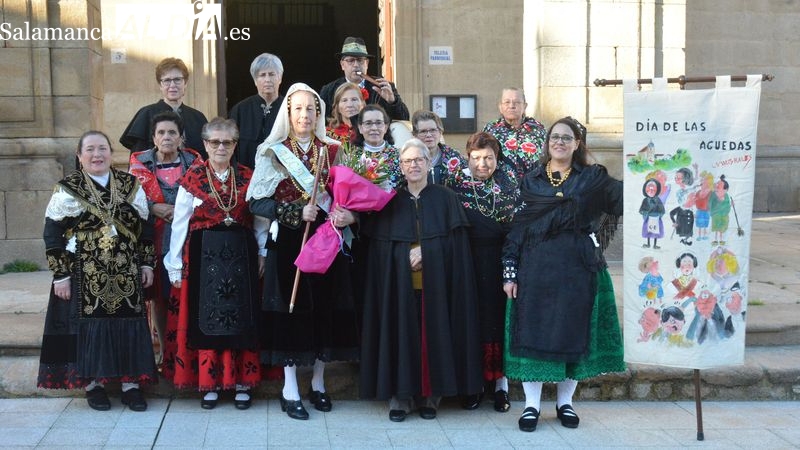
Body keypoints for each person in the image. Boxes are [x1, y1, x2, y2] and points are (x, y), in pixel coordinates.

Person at [502, 117, 625, 432]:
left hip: (577, 269)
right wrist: (510, 271)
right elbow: (517, 228)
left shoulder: (593, 179)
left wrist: (648, 171)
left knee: (573, 333)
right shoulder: (530, 181)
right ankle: (531, 407)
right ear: (547, 143)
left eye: (566, 138)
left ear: (577, 144)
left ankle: (564, 404)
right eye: (554, 137)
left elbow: (625, 198)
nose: (559, 142)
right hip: (536, 269)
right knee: (533, 333)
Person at [247, 83, 360, 421]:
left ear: (319, 113)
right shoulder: (272, 151)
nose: (305, 115)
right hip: (291, 242)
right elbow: (255, 200)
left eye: (311, 109)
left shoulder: (336, 149)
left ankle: (319, 382)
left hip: (327, 238)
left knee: (326, 305)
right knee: (292, 309)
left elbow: (351, 195)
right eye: (298, 109)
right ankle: (290, 387)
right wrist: (293, 212)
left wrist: (346, 213)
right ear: (288, 113)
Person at [359, 138, 483, 423]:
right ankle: (401, 398)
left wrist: (427, 251)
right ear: (400, 168)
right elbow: (380, 251)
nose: (413, 165)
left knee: (434, 339)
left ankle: (431, 396)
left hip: (436, 287)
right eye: (407, 161)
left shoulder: (446, 198)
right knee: (401, 338)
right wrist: (404, 252)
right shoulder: (390, 202)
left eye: (418, 160)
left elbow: (458, 247)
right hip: (400, 288)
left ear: (429, 164)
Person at [38, 130, 156, 412]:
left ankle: (131, 386)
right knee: (87, 328)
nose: (97, 154)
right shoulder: (67, 188)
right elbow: (52, 234)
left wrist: (146, 262)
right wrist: (60, 275)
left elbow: (146, 228)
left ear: (111, 153)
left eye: (102, 148)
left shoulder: (130, 184)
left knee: (128, 324)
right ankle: (94, 386)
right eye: (89, 149)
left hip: (126, 272)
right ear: (80, 156)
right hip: (82, 274)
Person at [163, 118, 265, 410]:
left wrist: (263, 255)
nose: (221, 147)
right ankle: (211, 383)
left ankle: (242, 382)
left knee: (241, 316)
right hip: (203, 258)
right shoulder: (192, 178)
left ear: (235, 144)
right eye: (215, 142)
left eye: (228, 142)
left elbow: (258, 221)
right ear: (205, 144)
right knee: (207, 319)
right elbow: (179, 224)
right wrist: (174, 264)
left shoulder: (248, 176)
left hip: (242, 257)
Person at [444, 132, 518, 412]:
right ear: (468, 157)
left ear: (497, 159)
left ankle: (501, 387)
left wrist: (511, 269)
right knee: (470, 320)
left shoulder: (510, 184)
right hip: (465, 260)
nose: (482, 163)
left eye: (488, 157)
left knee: (497, 322)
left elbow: (516, 229)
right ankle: (472, 384)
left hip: (499, 260)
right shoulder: (454, 183)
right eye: (476, 158)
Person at [129, 111, 202, 366]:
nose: (167, 137)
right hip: (156, 236)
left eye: (172, 132)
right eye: (161, 132)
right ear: (153, 137)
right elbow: (130, 199)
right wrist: (152, 207)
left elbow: (205, 192)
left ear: (181, 137)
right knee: (160, 295)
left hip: (188, 237)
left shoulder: (194, 161)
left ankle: (186, 351)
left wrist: (182, 212)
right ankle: (164, 352)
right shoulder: (139, 164)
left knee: (185, 294)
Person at [120, 57, 208, 158]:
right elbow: (138, 160)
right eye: (167, 80)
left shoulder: (198, 117)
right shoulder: (146, 114)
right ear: (160, 85)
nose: (172, 85)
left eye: (177, 80)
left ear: (185, 83)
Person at [319, 36, 409, 121]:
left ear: (367, 64)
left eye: (360, 60)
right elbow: (320, 122)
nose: (356, 65)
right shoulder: (328, 91)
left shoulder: (383, 86)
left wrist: (392, 101)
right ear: (342, 65)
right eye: (350, 60)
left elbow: (404, 119)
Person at [229, 53, 285, 169]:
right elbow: (230, 146)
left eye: (272, 74)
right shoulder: (240, 110)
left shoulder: (289, 108)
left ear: (280, 78)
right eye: (262, 75)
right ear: (255, 80)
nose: (267, 79)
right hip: (246, 177)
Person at [483, 87, 547, 181]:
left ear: (525, 106)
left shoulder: (538, 130)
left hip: (533, 186)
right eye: (507, 102)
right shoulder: (490, 130)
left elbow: (548, 158)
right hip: (499, 187)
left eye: (517, 102)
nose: (512, 106)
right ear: (500, 107)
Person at [411, 110, 466, 185]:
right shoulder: (407, 160)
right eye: (423, 131)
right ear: (415, 135)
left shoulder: (454, 157)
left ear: (440, 132)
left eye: (433, 130)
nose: (429, 135)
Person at [326, 82, 366, 146]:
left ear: (362, 105)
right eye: (344, 100)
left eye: (354, 99)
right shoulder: (327, 135)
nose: (349, 105)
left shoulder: (370, 131)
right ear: (337, 107)